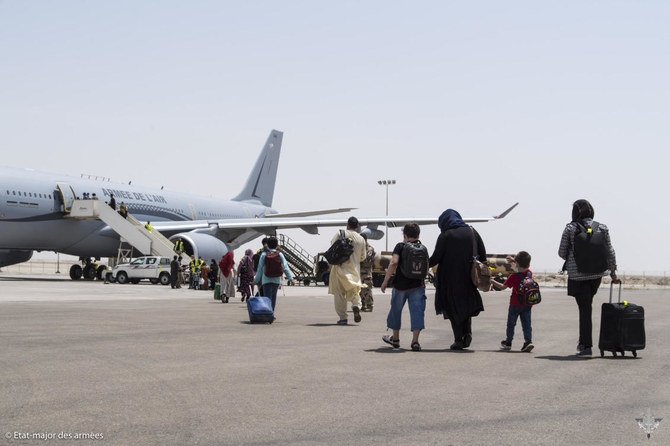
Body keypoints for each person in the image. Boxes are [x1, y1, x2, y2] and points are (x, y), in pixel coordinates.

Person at [559, 199, 619, 356]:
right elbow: (610, 252)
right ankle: (583, 343)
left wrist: (572, 258)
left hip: (578, 276)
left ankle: (586, 345)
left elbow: (561, 252)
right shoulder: (602, 228)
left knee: (585, 309)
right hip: (596, 274)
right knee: (587, 306)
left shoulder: (571, 228)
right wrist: (613, 272)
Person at [429, 209, 486, 350]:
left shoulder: (445, 235)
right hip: (469, 278)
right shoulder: (472, 231)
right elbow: (483, 254)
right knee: (466, 308)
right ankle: (468, 334)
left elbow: (436, 258)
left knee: (453, 309)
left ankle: (458, 339)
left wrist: (417, 265)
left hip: (450, 279)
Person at [380, 223, 428, 351]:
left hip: (400, 286)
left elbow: (394, 262)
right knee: (417, 312)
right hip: (418, 286)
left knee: (396, 310)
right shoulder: (423, 248)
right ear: (418, 235)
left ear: (404, 235)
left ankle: (395, 339)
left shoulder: (400, 246)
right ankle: (415, 342)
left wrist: (385, 281)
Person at [492, 251, 535, 353]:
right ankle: (528, 341)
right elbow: (523, 266)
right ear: (528, 264)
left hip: (515, 303)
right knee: (526, 323)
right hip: (527, 304)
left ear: (517, 264)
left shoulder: (513, 276)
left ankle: (508, 342)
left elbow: (502, 287)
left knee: (511, 324)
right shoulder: (529, 273)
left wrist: (491, 280)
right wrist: (515, 261)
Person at [328, 217, 367, 325]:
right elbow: (363, 257)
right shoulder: (361, 239)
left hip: (340, 268)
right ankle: (356, 306)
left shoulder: (341, 234)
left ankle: (343, 318)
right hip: (354, 270)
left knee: (339, 294)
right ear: (357, 227)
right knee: (354, 291)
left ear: (347, 224)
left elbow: (332, 246)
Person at [253, 237, 294, 310]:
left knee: (267, 299)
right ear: (277, 245)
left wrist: (256, 281)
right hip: (276, 280)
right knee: (273, 298)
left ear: (267, 245)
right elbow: (285, 267)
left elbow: (259, 269)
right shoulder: (280, 254)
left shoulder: (264, 254)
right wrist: (291, 279)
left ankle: (268, 314)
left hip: (266, 280)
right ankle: (271, 314)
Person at [359, 233, 375, 312]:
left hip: (366, 273)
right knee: (360, 290)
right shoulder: (361, 248)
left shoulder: (369, 249)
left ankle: (370, 305)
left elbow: (366, 260)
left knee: (367, 290)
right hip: (360, 272)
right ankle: (363, 305)